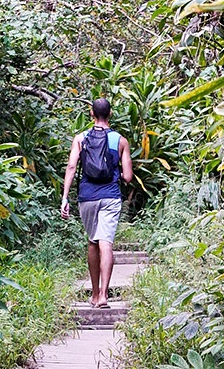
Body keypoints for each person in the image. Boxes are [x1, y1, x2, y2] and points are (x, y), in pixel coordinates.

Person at [60, 98, 133, 308]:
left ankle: (93, 294)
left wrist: (65, 198)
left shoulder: (80, 139)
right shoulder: (120, 141)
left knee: (93, 241)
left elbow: (72, 167)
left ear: (91, 114)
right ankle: (103, 296)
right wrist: (115, 172)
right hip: (110, 196)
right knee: (106, 242)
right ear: (110, 114)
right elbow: (127, 176)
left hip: (87, 197)